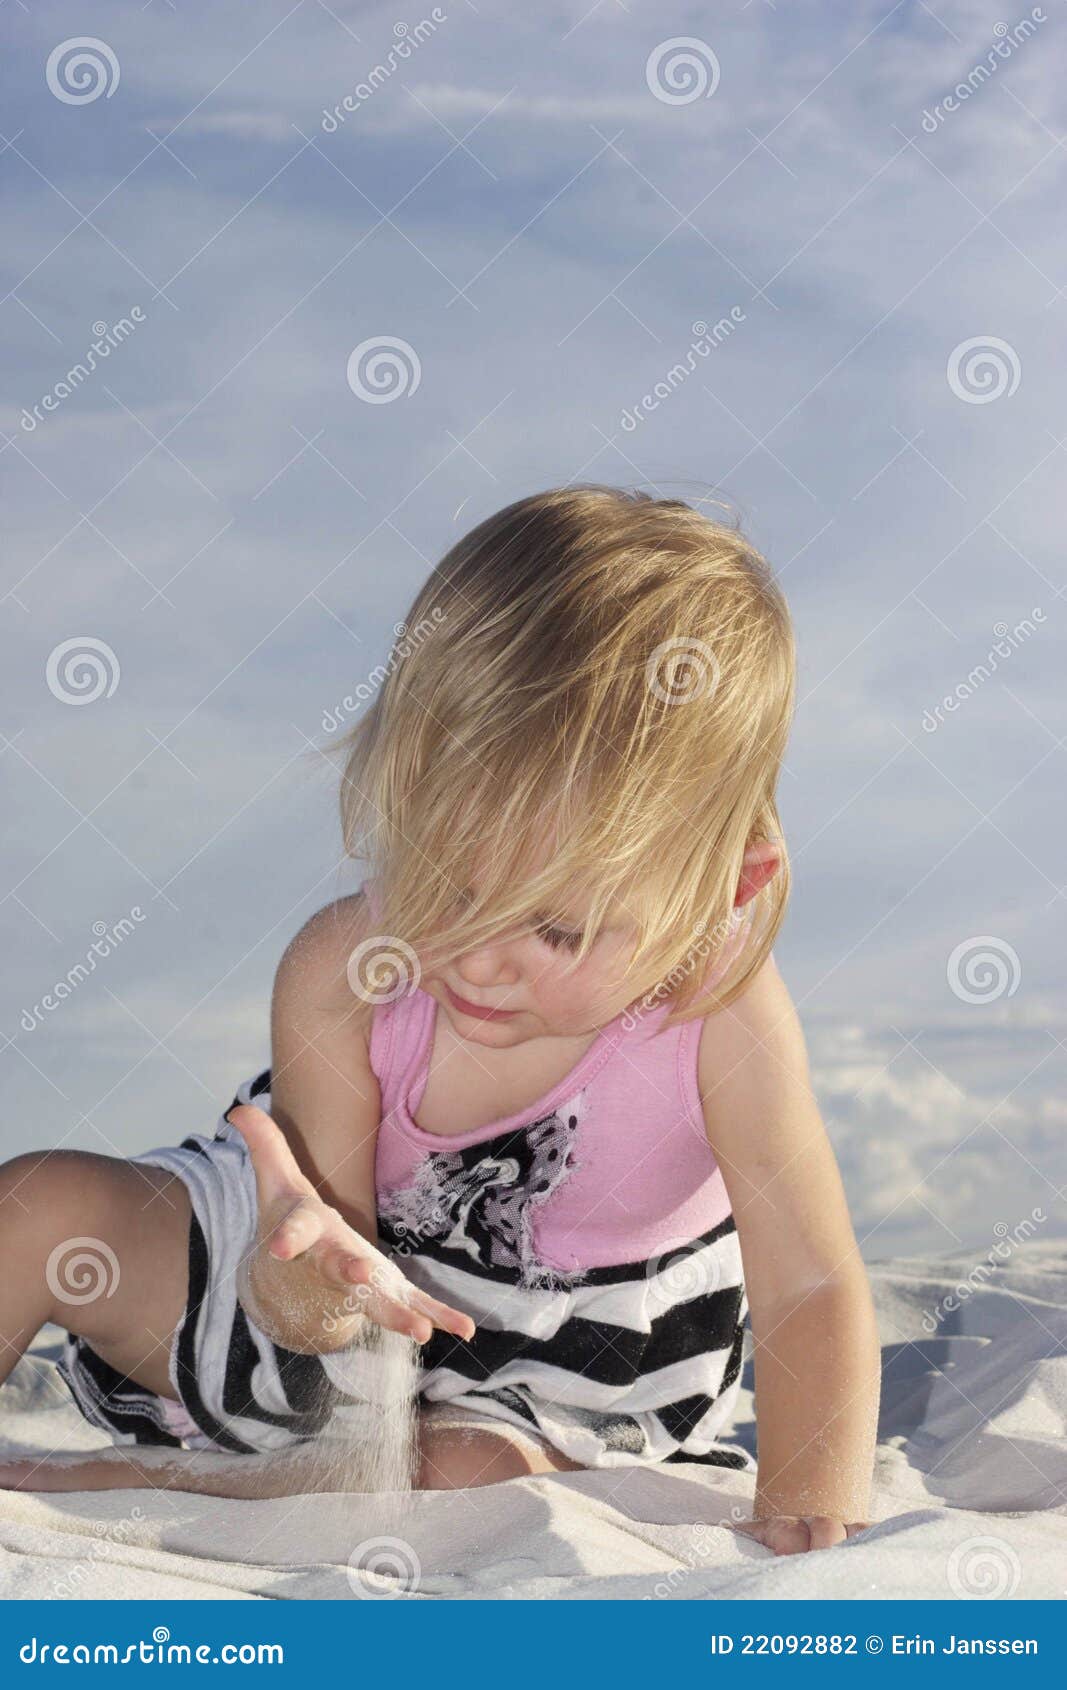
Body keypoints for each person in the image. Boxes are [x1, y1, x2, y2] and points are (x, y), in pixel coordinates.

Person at [0, 486, 879, 1556]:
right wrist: (305, 1282)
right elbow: (326, 1286)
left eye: (554, 929)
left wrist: (809, 1511)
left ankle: (147, 1480)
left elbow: (811, 1282)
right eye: (443, 884)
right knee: (34, 1206)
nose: (474, 957)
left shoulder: (721, 1001)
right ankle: (231, 1459)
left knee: (455, 1476)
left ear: (724, 889)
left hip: (568, 1349)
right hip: (332, 1303)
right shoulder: (342, 972)